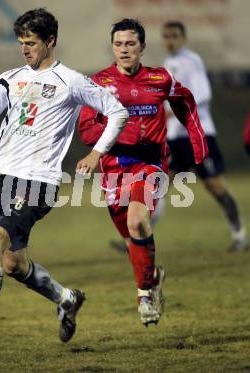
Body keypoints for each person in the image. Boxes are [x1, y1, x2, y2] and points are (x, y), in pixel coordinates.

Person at [0, 8, 129, 360]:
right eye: (21, 42)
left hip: (39, 182)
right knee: (12, 263)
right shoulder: (9, 79)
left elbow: (117, 111)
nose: (25, 49)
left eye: (31, 43)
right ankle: (67, 299)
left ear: (50, 41)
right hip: (6, 180)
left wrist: (96, 154)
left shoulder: (71, 81)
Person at [78, 19, 208, 326]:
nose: (124, 50)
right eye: (119, 44)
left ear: (142, 47)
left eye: (130, 44)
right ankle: (153, 277)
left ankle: (144, 297)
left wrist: (197, 140)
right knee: (131, 238)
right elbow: (86, 128)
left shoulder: (159, 78)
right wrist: (123, 136)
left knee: (138, 221)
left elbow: (185, 103)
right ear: (113, 47)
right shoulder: (98, 84)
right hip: (114, 169)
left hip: (151, 164)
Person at [160, 20, 248, 252]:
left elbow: (202, 95)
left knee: (215, 186)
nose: (170, 40)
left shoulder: (191, 61)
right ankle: (136, 239)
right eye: (166, 36)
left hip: (198, 134)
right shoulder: (168, 63)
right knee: (159, 184)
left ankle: (239, 234)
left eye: (174, 36)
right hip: (176, 137)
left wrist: (174, 110)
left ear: (184, 38)